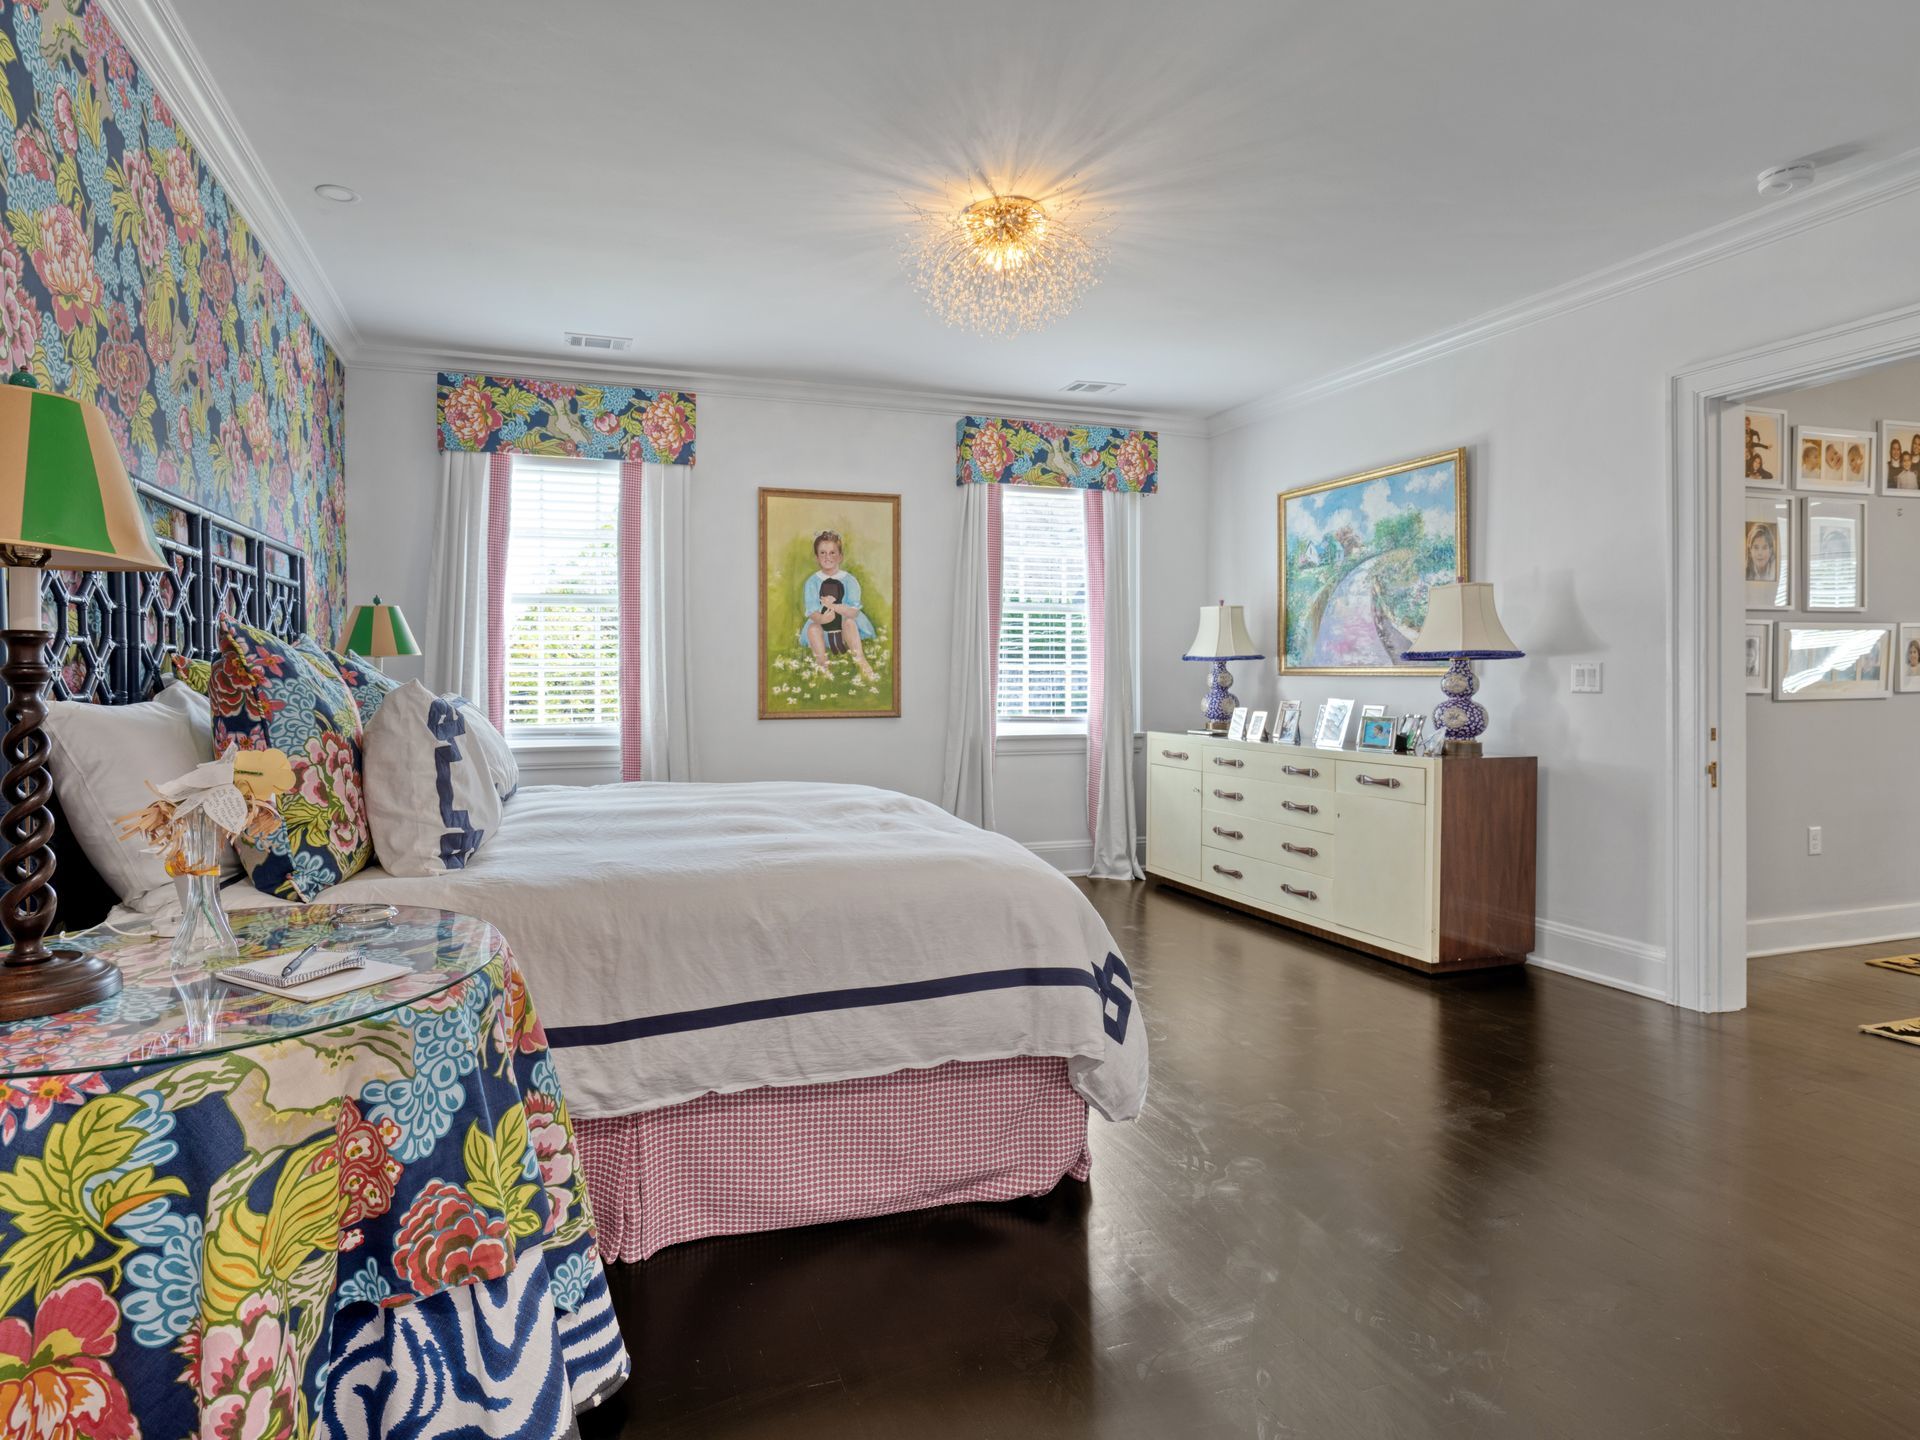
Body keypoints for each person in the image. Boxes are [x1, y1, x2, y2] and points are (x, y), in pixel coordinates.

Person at [799, 530, 878, 681]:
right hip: (824, 627)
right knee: (813, 628)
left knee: (849, 623)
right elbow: (812, 611)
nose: (827, 557)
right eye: (822, 553)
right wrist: (822, 619)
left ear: (840, 556)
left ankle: (861, 660)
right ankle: (823, 665)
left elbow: (853, 612)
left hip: (846, 627)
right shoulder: (812, 582)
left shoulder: (849, 580)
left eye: (832, 553)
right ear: (816, 557)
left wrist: (833, 606)